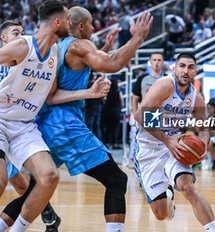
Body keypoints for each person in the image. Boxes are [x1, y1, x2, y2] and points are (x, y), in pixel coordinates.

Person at [35, 6, 152, 232]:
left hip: (47, 124)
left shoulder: (57, 46)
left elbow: (76, 69)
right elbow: (112, 64)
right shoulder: (80, 45)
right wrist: (137, 39)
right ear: (80, 26)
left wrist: (105, 49)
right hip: (65, 125)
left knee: (34, 190)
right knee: (116, 180)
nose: (93, 28)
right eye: (90, 24)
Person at [134, 53, 215, 232]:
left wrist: (203, 145)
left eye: (190, 67)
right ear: (174, 69)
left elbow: (203, 127)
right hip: (148, 147)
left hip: (176, 144)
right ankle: (169, 196)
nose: (185, 71)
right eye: (182, 66)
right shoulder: (165, 85)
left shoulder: (196, 97)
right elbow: (140, 115)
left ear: (195, 72)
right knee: (161, 214)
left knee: (188, 187)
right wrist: (166, 140)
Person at [0, 19, 61, 232]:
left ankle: (32, 220)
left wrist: (90, 92)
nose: (21, 36)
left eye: (23, 32)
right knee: (4, 182)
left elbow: (51, 94)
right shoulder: (6, 59)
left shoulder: (34, 56)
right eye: (15, 32)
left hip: (22, 125)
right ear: (4, 38)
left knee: (33, 182)